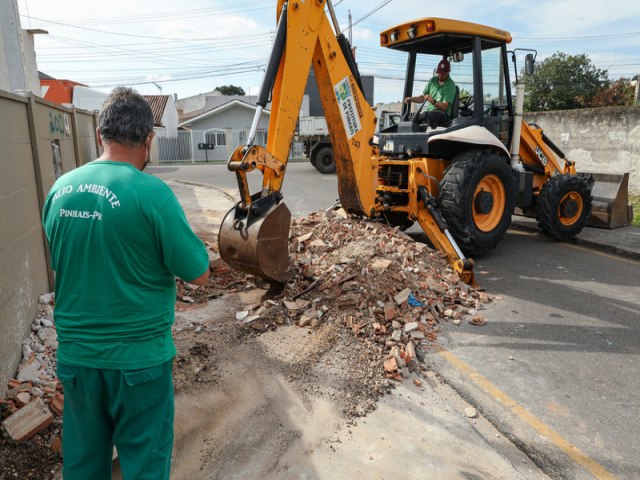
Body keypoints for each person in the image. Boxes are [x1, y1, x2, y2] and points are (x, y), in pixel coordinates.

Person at [42, 87, 210, 480]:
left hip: (78, 360)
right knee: (145, 464)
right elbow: (198, 273)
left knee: (83, 464)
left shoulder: (59, 190)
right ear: (148, 140)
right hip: (139, 363)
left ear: (101, 135)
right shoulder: (152, 195)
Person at [404, 58, 456, 128]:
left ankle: (431, 137)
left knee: (432, 115)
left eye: (443, 73)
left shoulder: (450, 85)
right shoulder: (432, 81)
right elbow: (422, 98)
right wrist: (411, 99)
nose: (440, 75)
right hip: (430, 113)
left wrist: (433, 101)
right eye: (439, 72)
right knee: (414, 117)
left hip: (444, 115)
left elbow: (445, 107)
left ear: (448, 72)